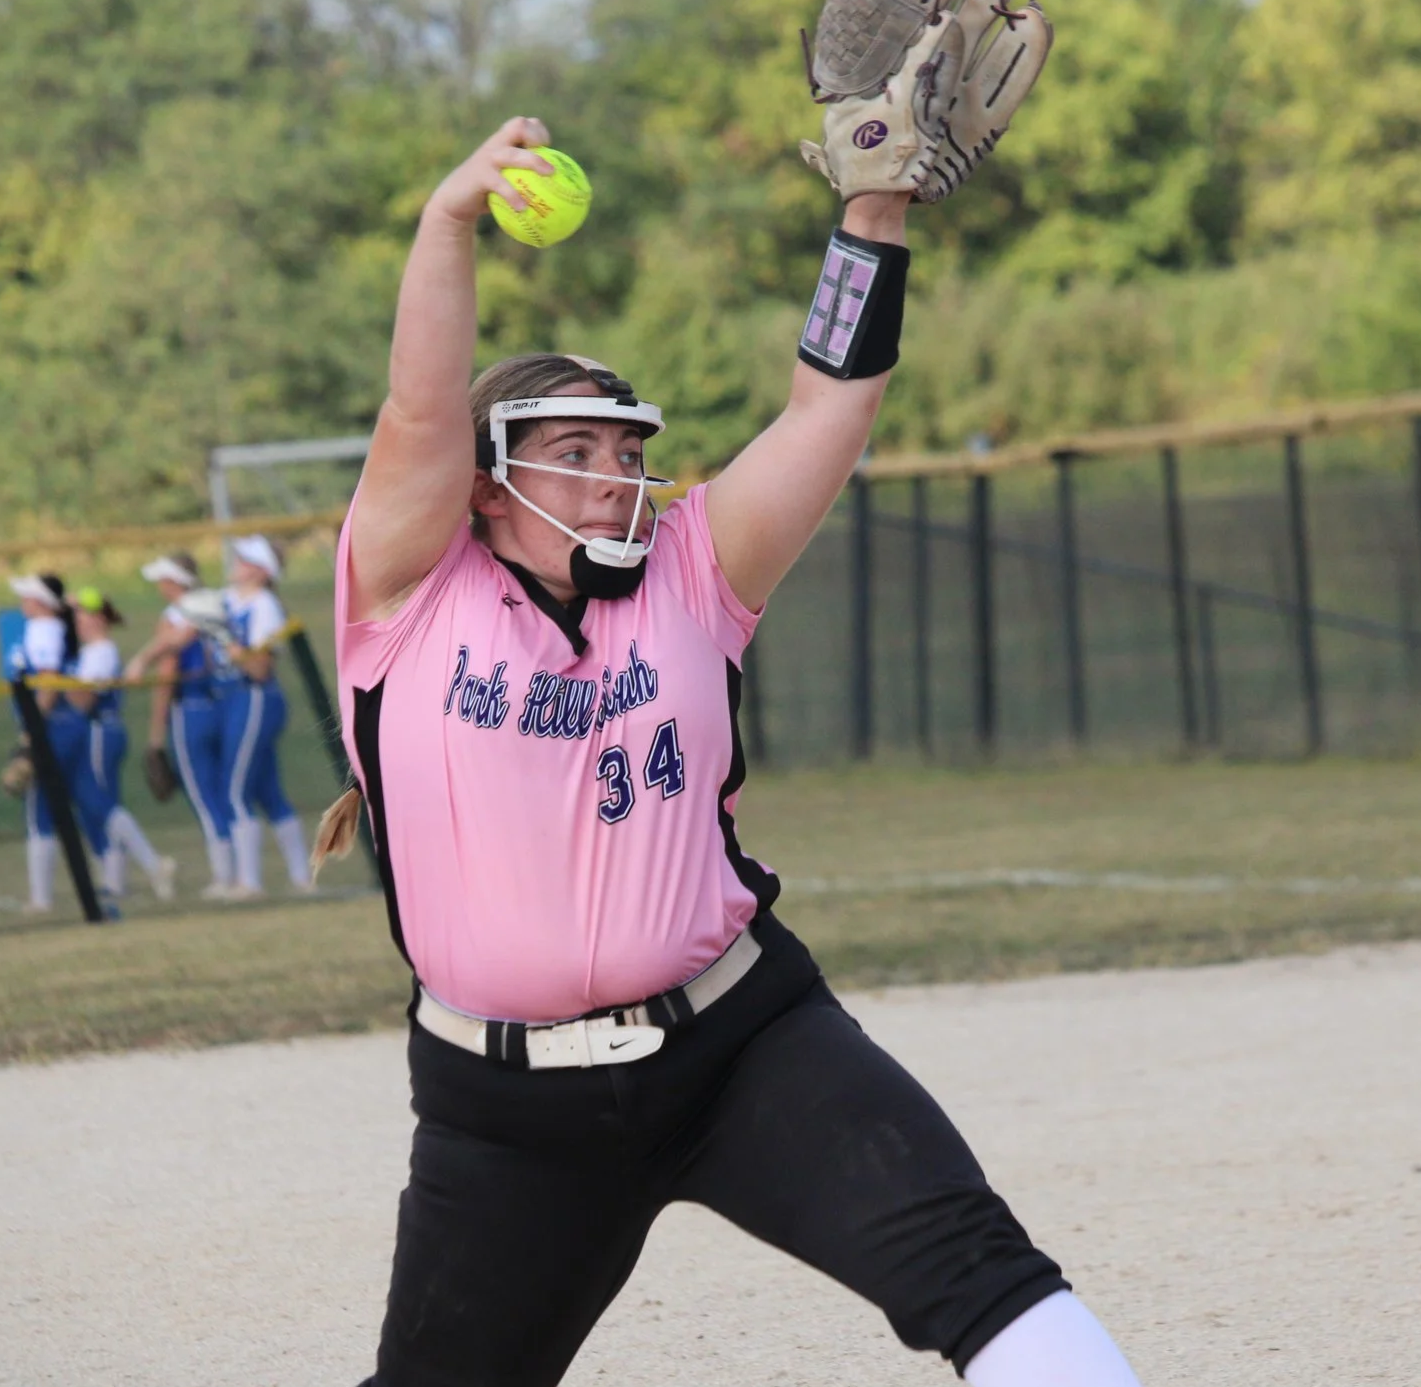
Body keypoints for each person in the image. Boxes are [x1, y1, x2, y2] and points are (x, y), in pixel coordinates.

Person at [319, 112, 1143, 1387]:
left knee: (976, 1270)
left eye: (630, 453)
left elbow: (830, 403)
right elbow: (422, 410)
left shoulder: (693, 574)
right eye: (574, 454)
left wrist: (873, 213)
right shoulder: (408, 593)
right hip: (506, 1116)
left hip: (744, 1047)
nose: (615, 478)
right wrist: (448, 221)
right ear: (486, 487)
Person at [126, 553, 236, 896]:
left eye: (163, 580)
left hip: (191, 710)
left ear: (174, 581)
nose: (159, 587)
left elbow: (168, 673)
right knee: (228, 792)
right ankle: (243, 872)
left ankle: (224, 876)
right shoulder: (215, 601)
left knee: (204, 795)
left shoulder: (176, 616)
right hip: (226, 705)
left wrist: (156, 736)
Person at [215, 535, 311, 897]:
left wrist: (232, 648)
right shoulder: (231, 600)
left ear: (260, 570)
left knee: (235, 789)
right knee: (268, 791)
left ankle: (248, 881)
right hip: (236, 699)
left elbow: (259, 668)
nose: (236, 563)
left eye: (244, 559)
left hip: (255, 699)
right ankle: (302, 876)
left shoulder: (264, 606)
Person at [69, 587, 176, 905]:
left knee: (100, 803)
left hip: (101, 730)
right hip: (100, 731)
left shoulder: (100, 651)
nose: (77, 621)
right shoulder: (89, 651)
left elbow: (86, 699)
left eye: (82, 614)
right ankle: (114, 881)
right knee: (105, 804)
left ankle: (153, 863)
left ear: (98, 618)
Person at [6, 574, 80, 913]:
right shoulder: (44, 627)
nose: (22, 601)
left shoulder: (45, 628)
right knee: (50, 808)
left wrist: (31, 733)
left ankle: (42, 898)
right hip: (53, 725)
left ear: (40, 602)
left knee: (39, 812)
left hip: (51, 726)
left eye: (28, 596)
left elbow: (48, 681)